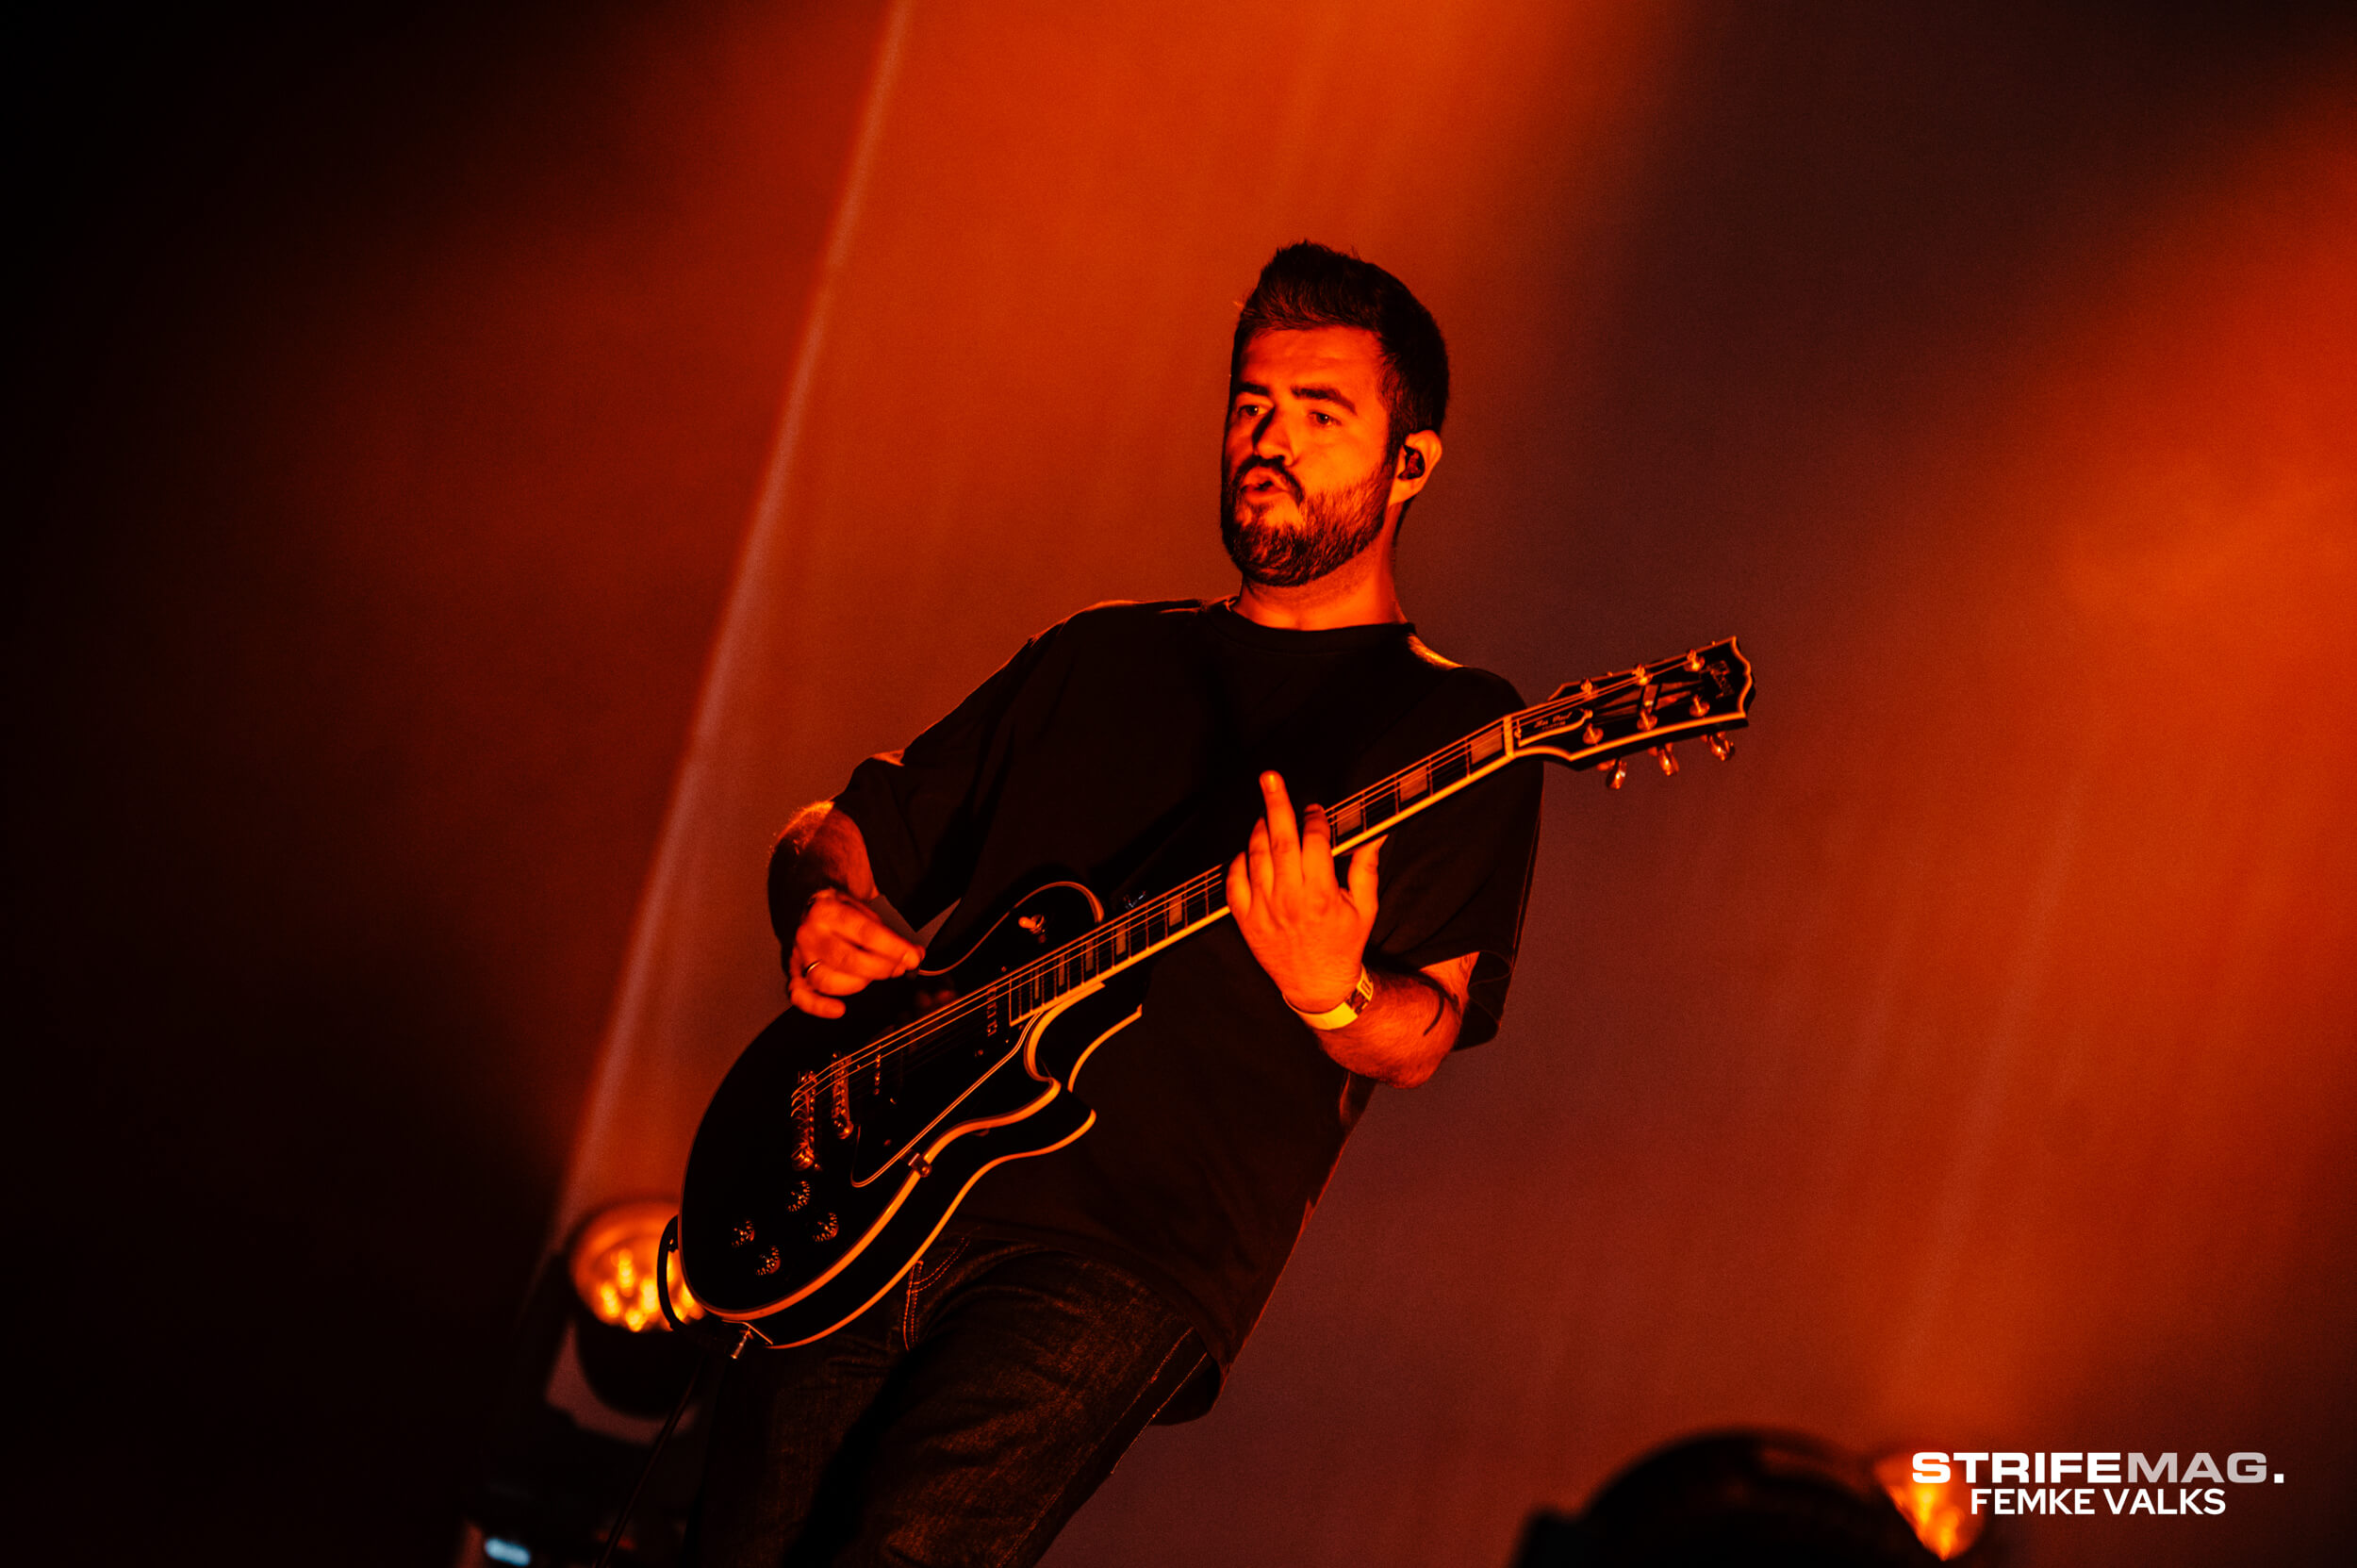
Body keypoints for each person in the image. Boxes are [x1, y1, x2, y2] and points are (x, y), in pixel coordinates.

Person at [692, 242, 1544, 1567]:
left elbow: (1425, 1029)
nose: (1269, 444)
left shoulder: (1453, 727)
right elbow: (841, 831)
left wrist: (1330, 987)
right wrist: (819, 900)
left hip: (1121, 1247)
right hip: (869, 1190)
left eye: (1321, 416)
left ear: (1411, 462)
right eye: (1252, 405)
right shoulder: (1098, 654)